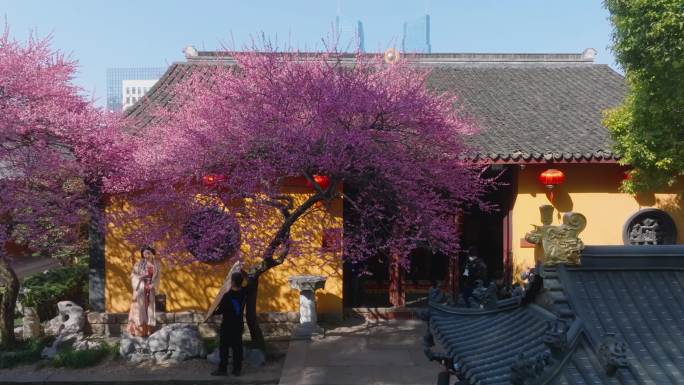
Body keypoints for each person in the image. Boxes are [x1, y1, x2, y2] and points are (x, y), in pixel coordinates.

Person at [211, 271, 246, 377]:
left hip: (227, 325)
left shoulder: (227, 296)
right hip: (239, 324)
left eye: (231, 280)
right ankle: (237, 370)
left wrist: (212, 312)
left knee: (224, 347)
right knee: (237, 347)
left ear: (233, 282)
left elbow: (220, 310)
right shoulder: (244, 293)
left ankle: (223, 369)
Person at [127, 245, 161, 337]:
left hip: (150, 287)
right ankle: (139, 331)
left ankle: (148, 330)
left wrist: (153, 285)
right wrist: (140, 278)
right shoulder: (139, 264)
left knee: (149, 308)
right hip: (140, 288)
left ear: (152, 254)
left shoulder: (156, 264)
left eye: (148, 253)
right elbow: (133, 275)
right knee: (139, 308)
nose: (146, 255)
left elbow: (157, 278)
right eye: (144, 253)